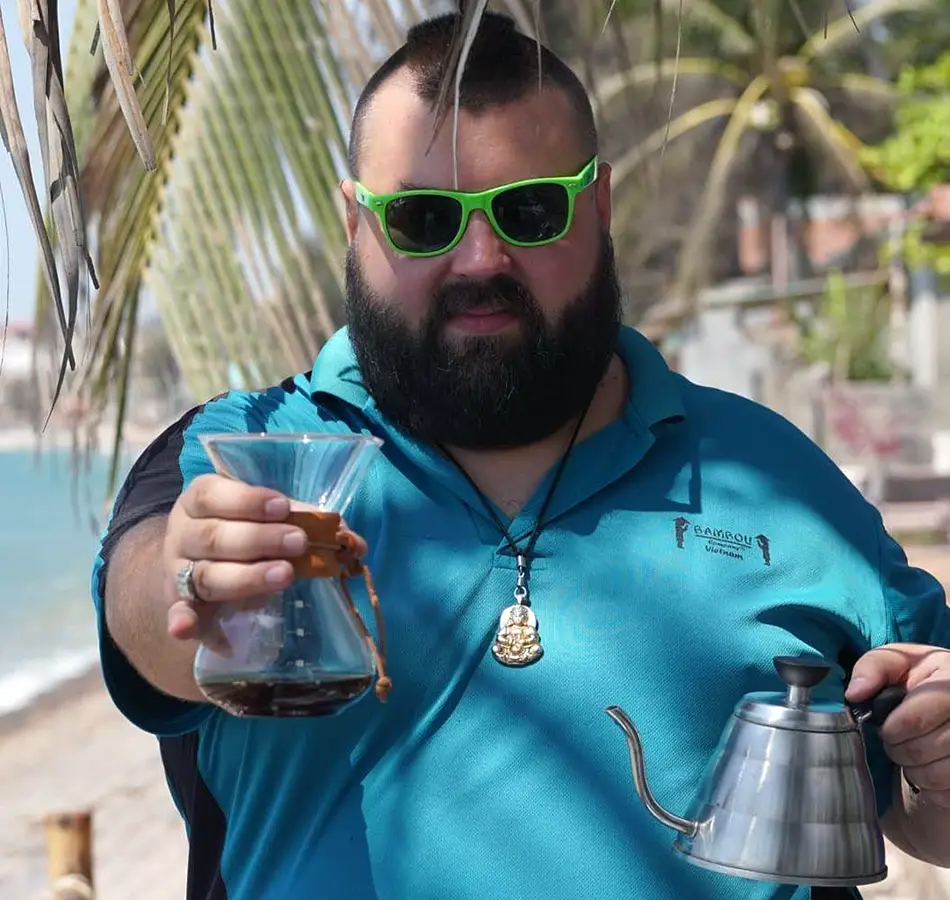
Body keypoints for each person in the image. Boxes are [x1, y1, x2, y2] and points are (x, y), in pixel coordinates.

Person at [91, 11, 950, 900]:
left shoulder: (772, 475)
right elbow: (143, 613)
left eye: (530, 210)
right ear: (355, 221)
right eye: (422, 217)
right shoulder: (246, 450)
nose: (480, 258)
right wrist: (192, 578)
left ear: (599, 206)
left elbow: (923, 796)